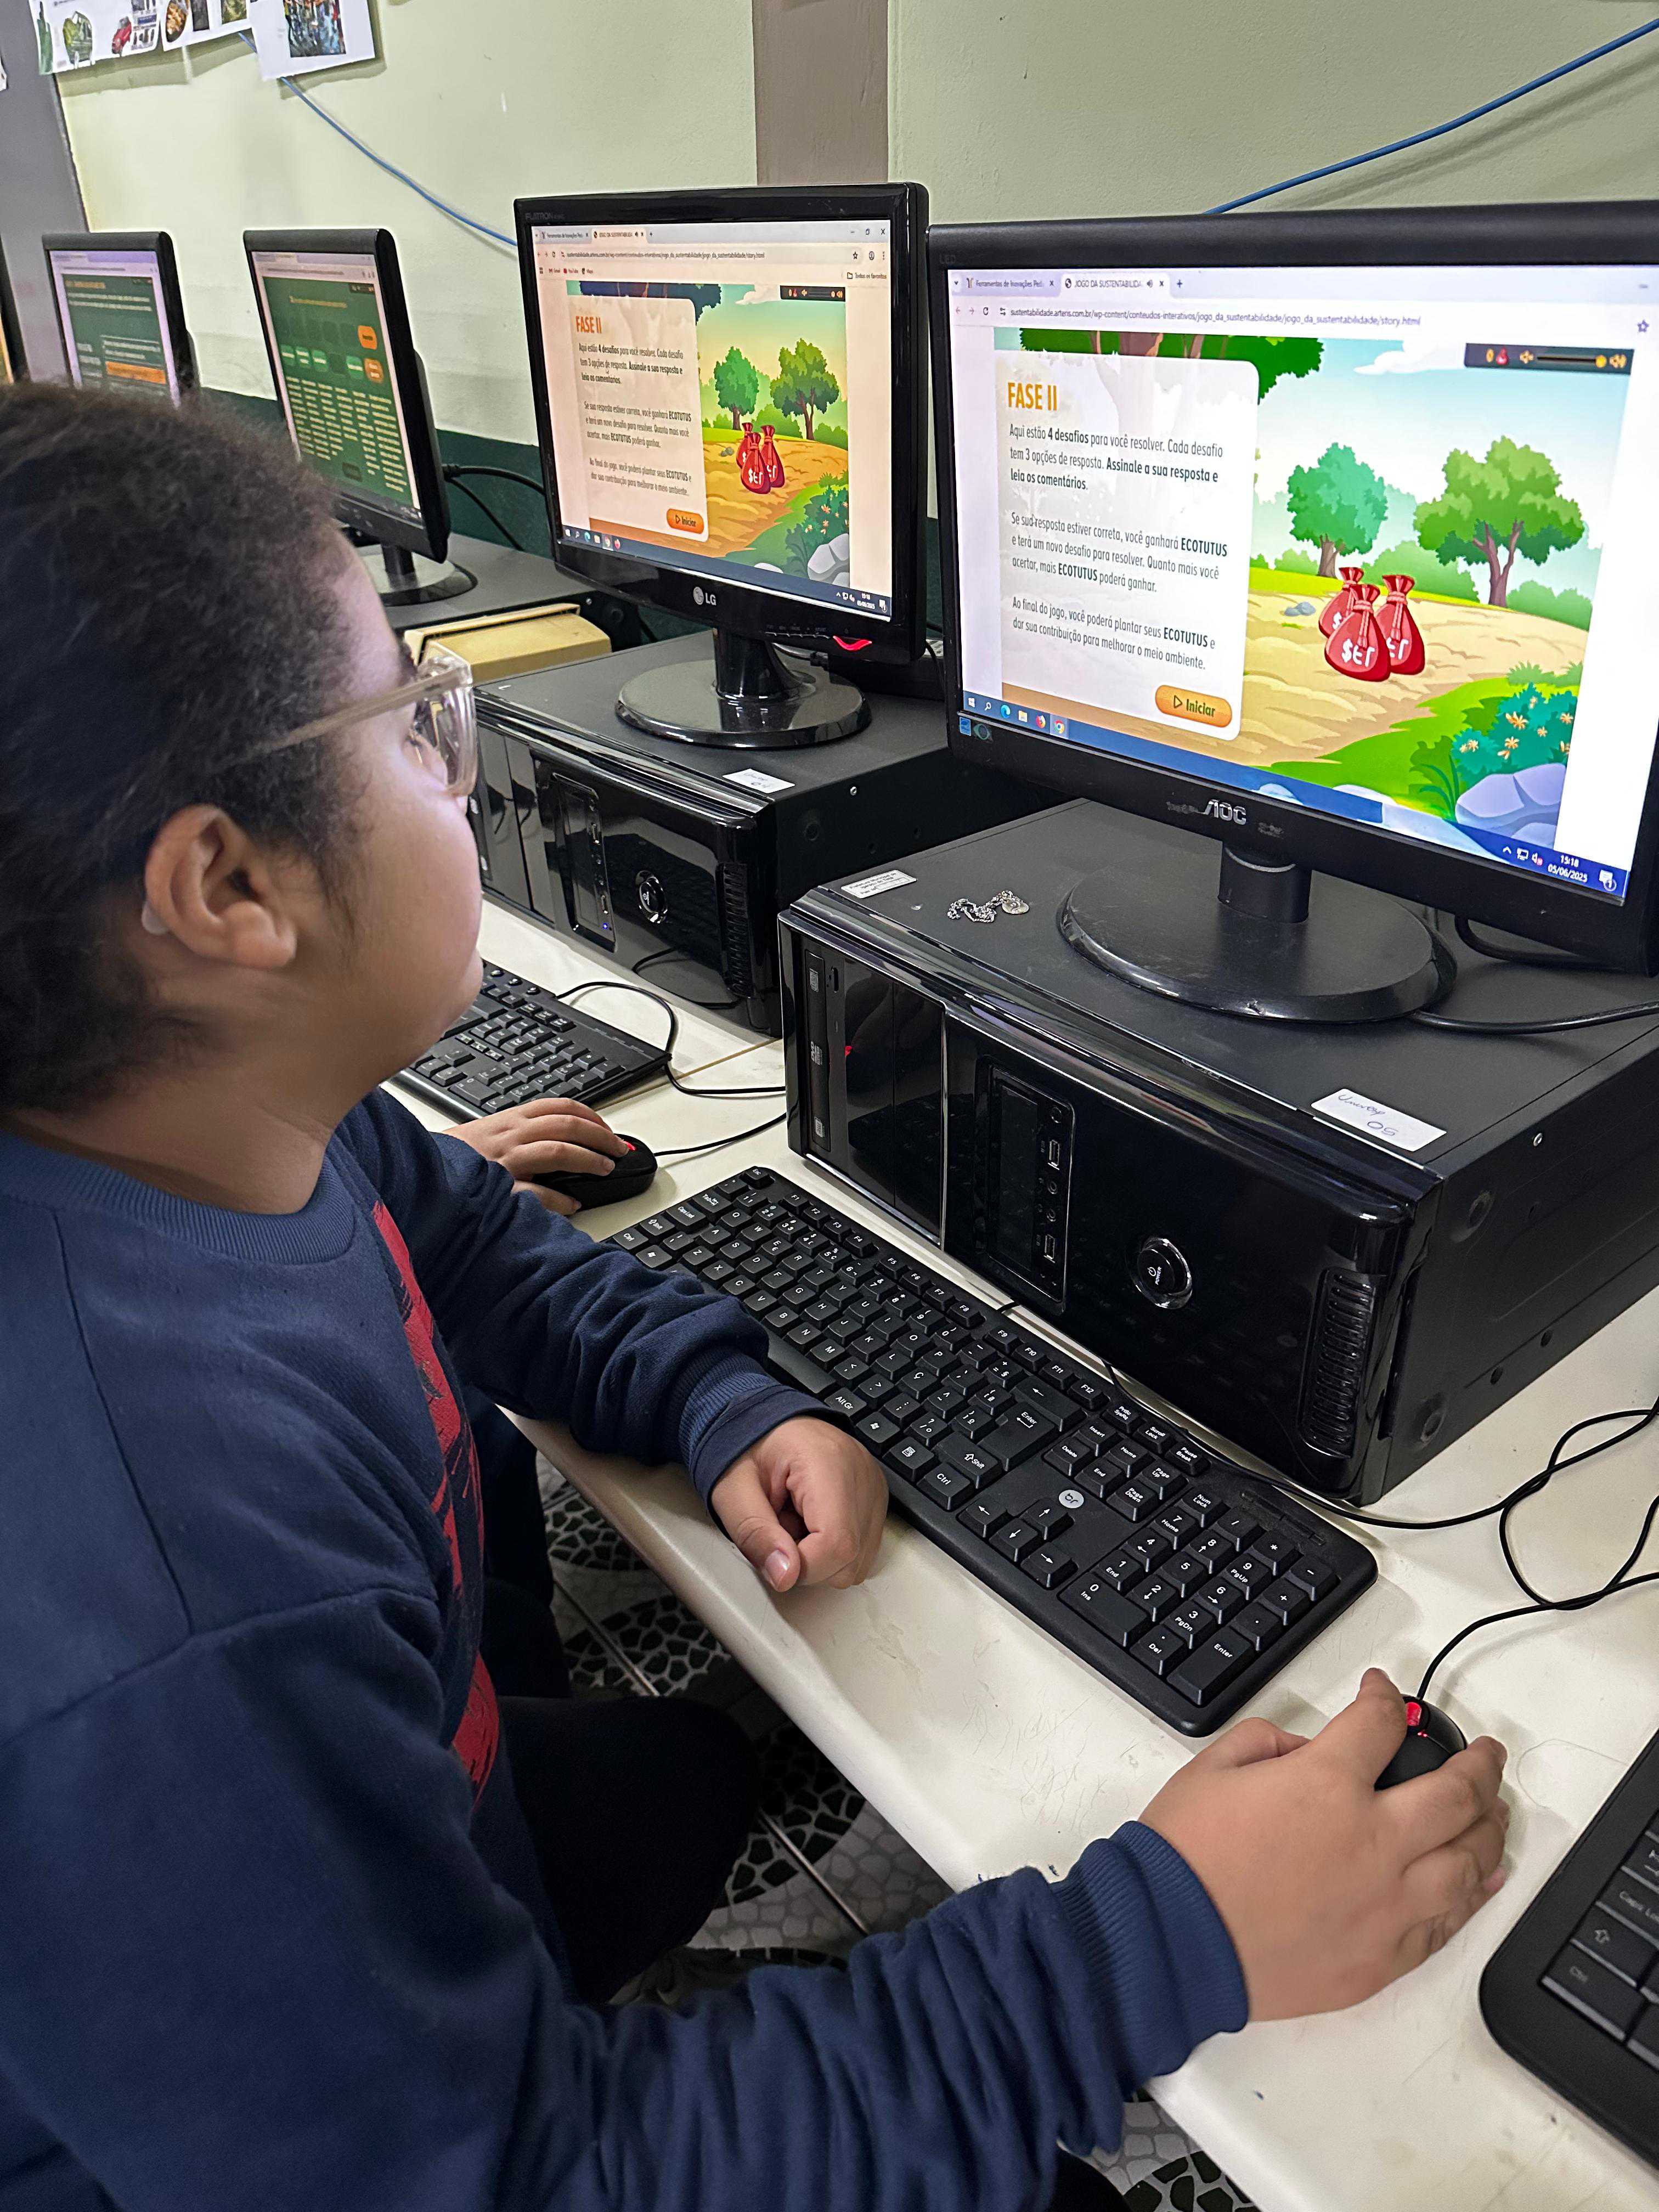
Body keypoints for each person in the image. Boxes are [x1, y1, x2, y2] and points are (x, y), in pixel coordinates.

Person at [0, 385, 1509, 2212]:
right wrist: (1157, 1942)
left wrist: (720, 1395)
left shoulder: (207, 1119)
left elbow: (462, 1242)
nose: (456, 761)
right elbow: (521, 2184)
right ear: (230, 889)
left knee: (687, 1776)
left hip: (396, 1865)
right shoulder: (152, 1618)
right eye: (413, 717)